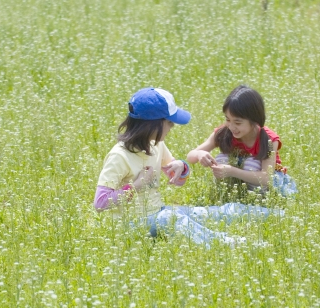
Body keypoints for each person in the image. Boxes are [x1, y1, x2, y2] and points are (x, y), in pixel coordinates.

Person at [94, 87, 245, 247]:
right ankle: (225, 244)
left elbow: (178, 180)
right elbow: (100, 203)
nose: (172, 127)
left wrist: (181, 166)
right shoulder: (119, 156)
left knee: (202, 213)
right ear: (152, 125)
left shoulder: (156, 145)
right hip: (130, 225)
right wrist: (136, 186)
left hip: (157, 212)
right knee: (169, 217)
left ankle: (268, 214)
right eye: (169, 123)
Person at [187, 85, 297, 197]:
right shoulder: (224, 133)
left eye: (238, 123)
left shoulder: (268, 139)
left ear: (255, 120)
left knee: (251, 164)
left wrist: (231, 171)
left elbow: (266, 178)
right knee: (222, 159)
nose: (231, 126)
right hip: (238, 182)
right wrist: (200, 154)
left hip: (267, 186)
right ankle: (229, 195)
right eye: (228, 119)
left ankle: (254, 199)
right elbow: (191, 156)